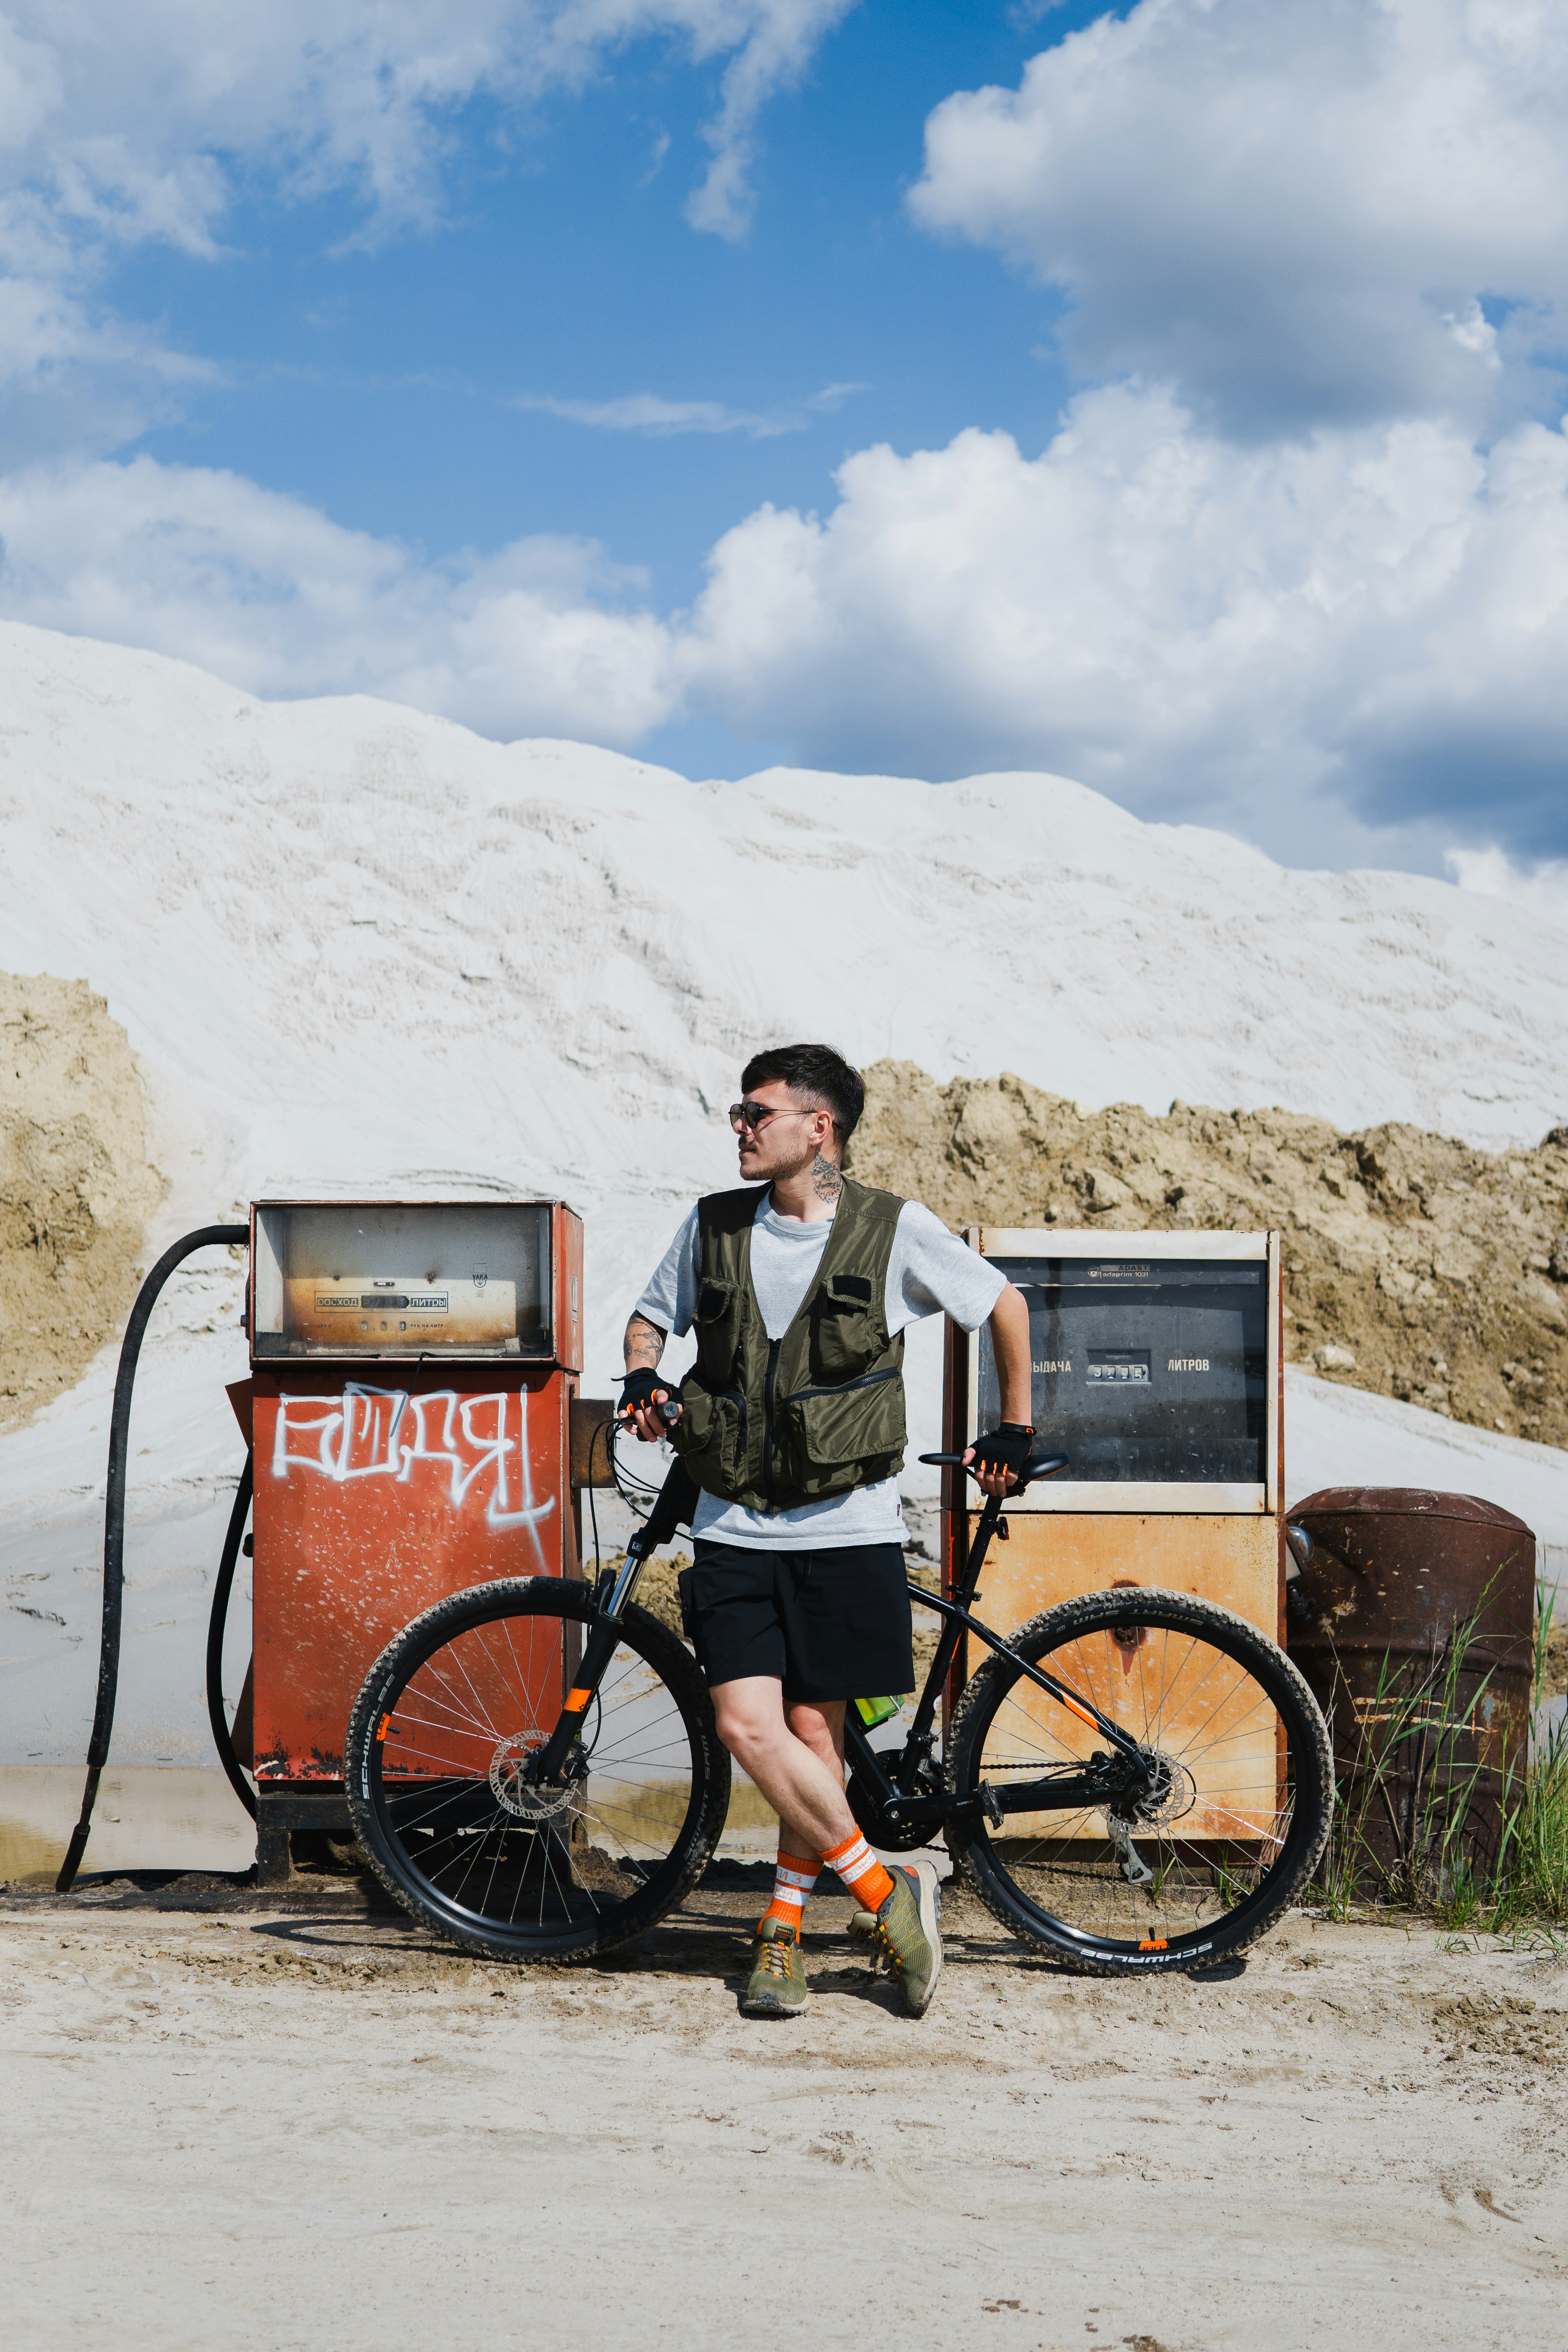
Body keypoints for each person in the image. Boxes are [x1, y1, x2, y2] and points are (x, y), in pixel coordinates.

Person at [619, 1043, 1034, 2020]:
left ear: (820, 1129)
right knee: (745, 1726)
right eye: (737, 1112)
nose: (739, 1126)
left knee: (813, 1731)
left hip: (846, 1529)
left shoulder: (895, 1230)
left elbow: (1002, 1304)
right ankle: (890, 1896)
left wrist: (1013, 1424)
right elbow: (648, 1320)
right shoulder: (712, 1227)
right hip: (731, 1525)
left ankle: (781, 1933)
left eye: (755, 1112)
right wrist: (642, 1375)